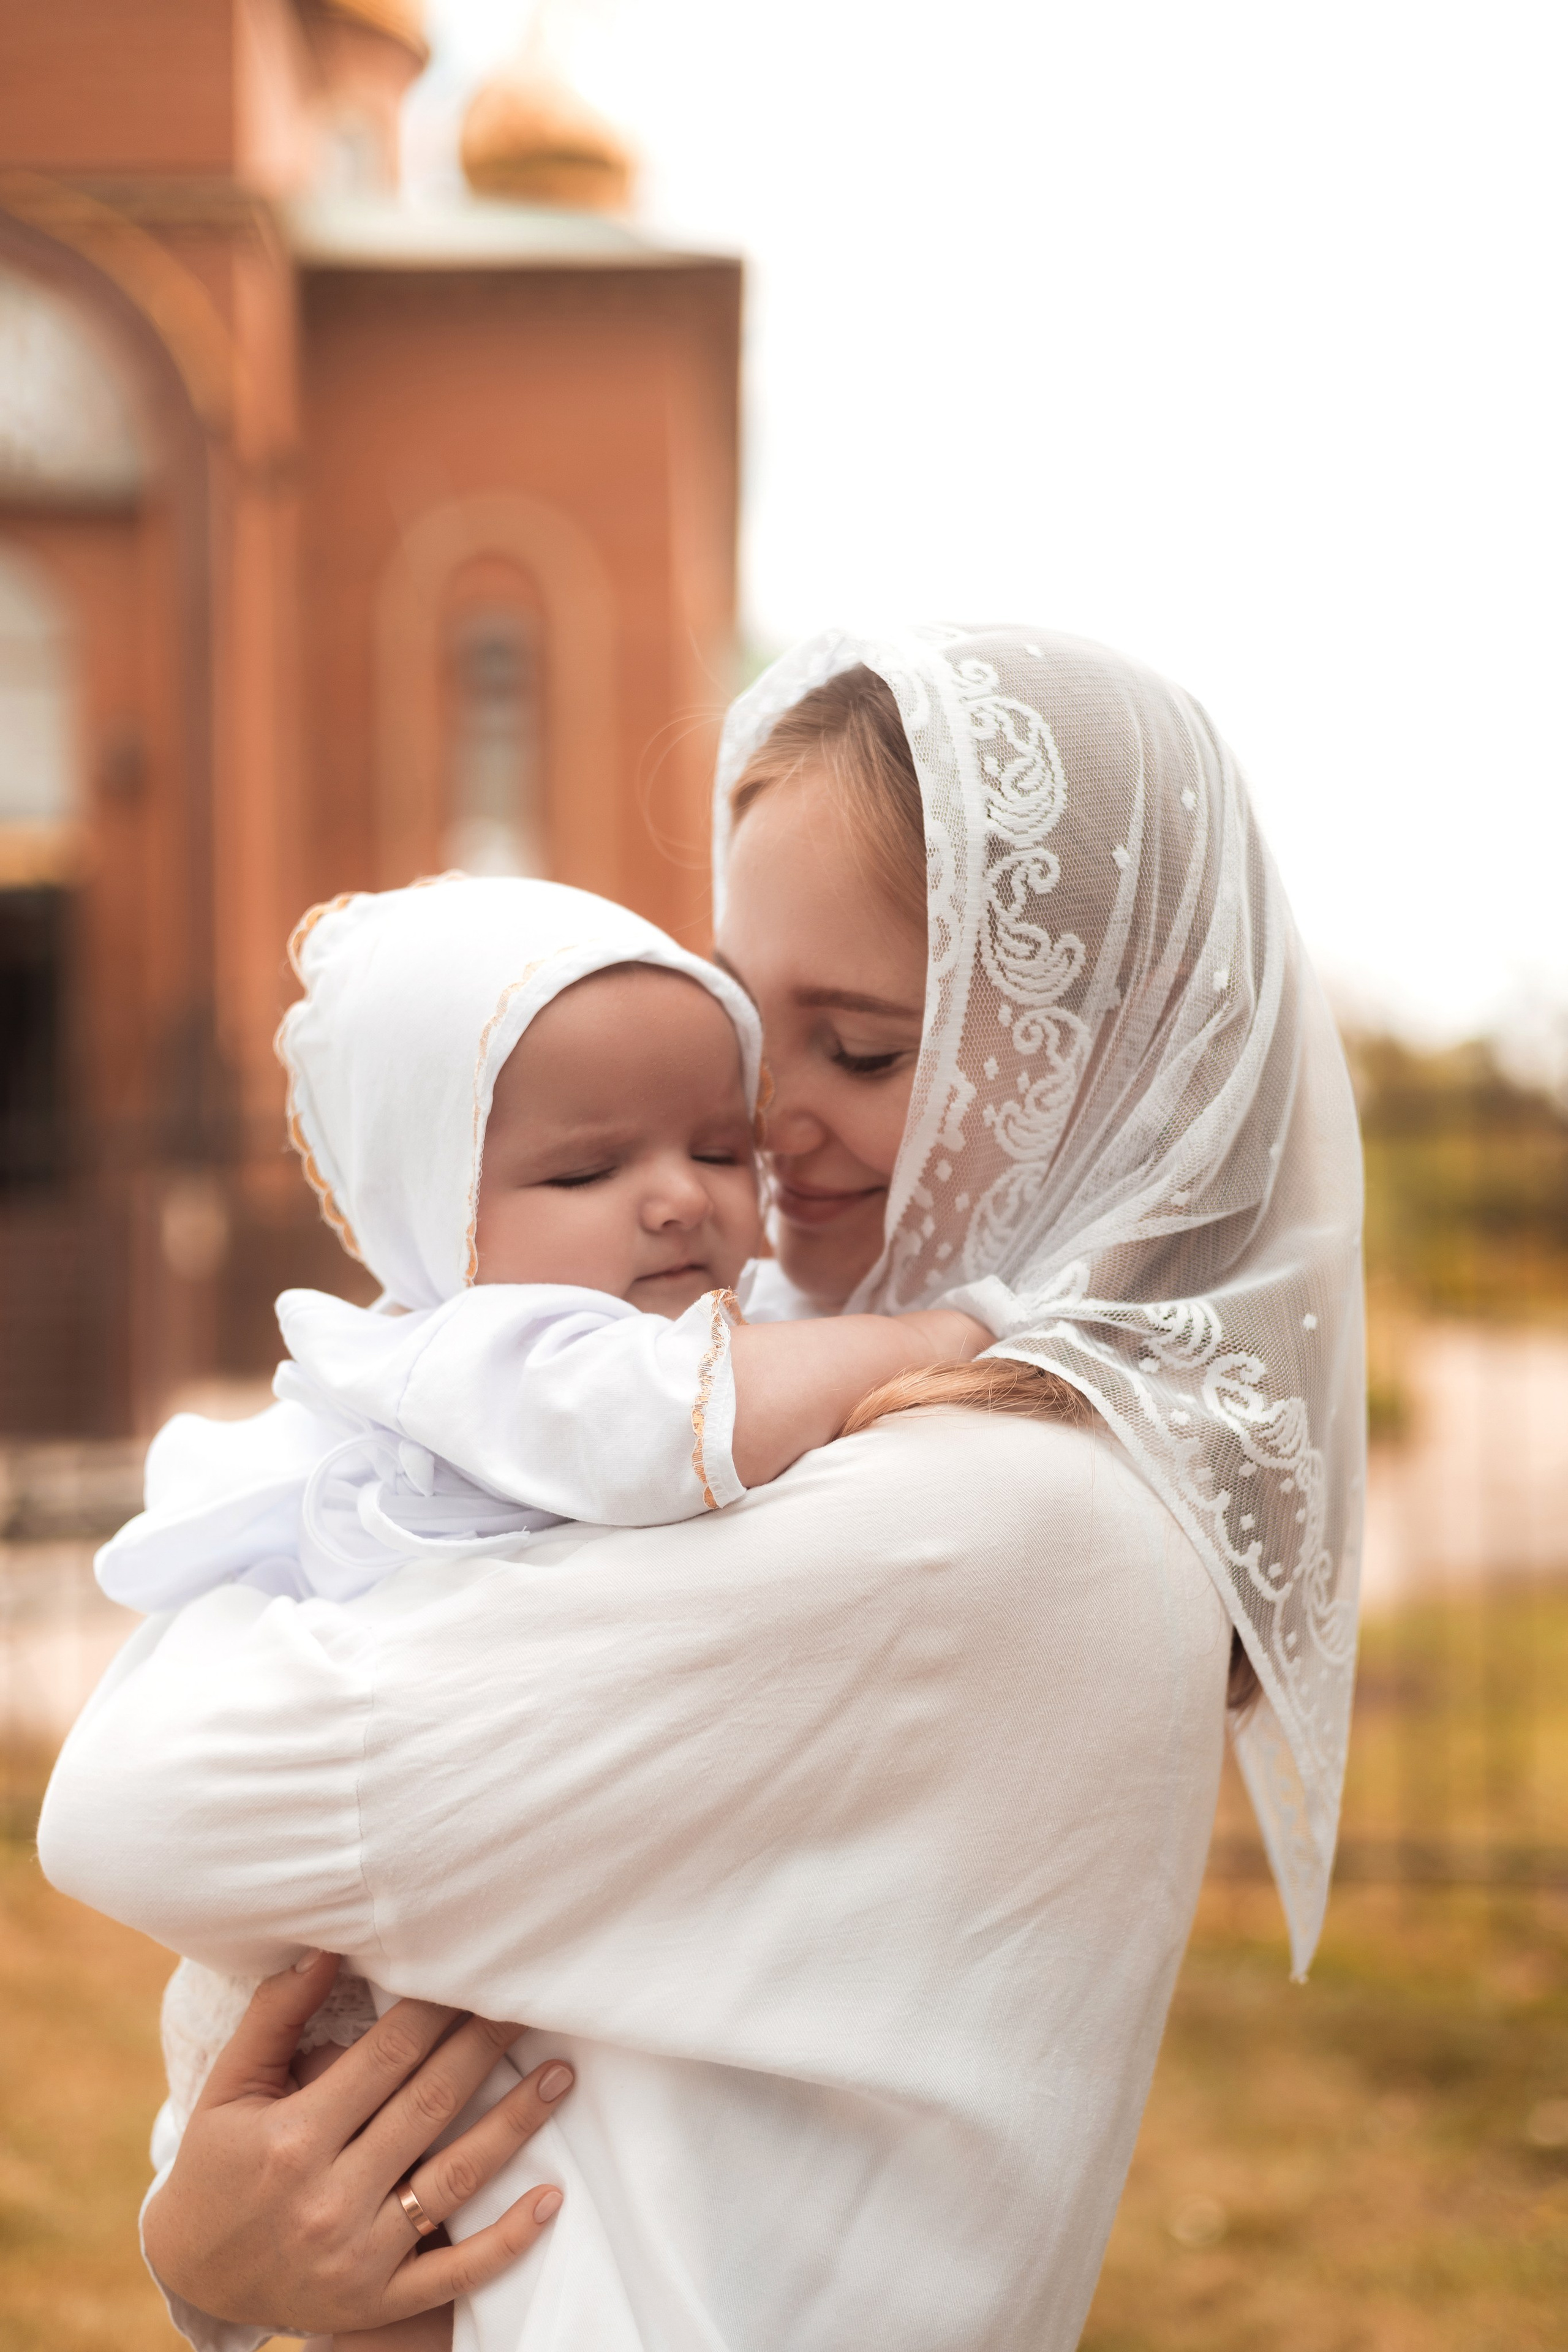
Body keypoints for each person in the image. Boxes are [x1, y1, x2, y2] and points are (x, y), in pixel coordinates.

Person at [40, 627, 1365, 2352]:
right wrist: (212, 2262)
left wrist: (204, 2252)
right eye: (757, 1027)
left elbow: (138, 1798)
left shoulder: (997, 1514)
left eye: (870, 1050)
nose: (764, 1123)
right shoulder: (866, 1424)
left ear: (1109, 1056)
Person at [97, 873, 990, 1617]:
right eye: (587, 1172)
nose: (681, 1197)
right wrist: (935, 1339)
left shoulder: (727, 1309)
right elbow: (674, 1414)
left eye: (718, 1150)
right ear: (435, 1218)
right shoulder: (474, 1356)